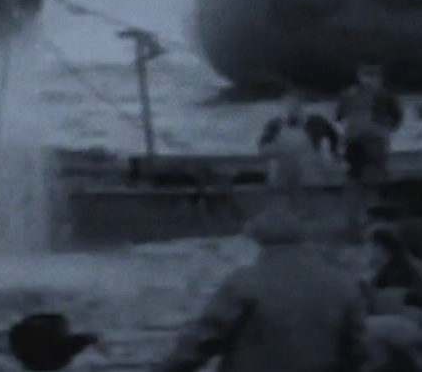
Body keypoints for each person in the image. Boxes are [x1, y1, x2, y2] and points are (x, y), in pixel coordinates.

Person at [154, 206, 367, 372]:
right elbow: (359, 351)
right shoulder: (342, 284)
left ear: (256, 242)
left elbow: (201, 343)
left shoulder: (244, 282)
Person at [335, 64, 404, 183]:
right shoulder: (384, 94)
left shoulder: (348, 94)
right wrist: (389, 127)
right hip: (374, 135)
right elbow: (396, 116)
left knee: (356, 171)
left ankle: (358, 193)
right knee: (376, 168)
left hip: (356, 135)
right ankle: (376, 193)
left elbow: (339, 115)